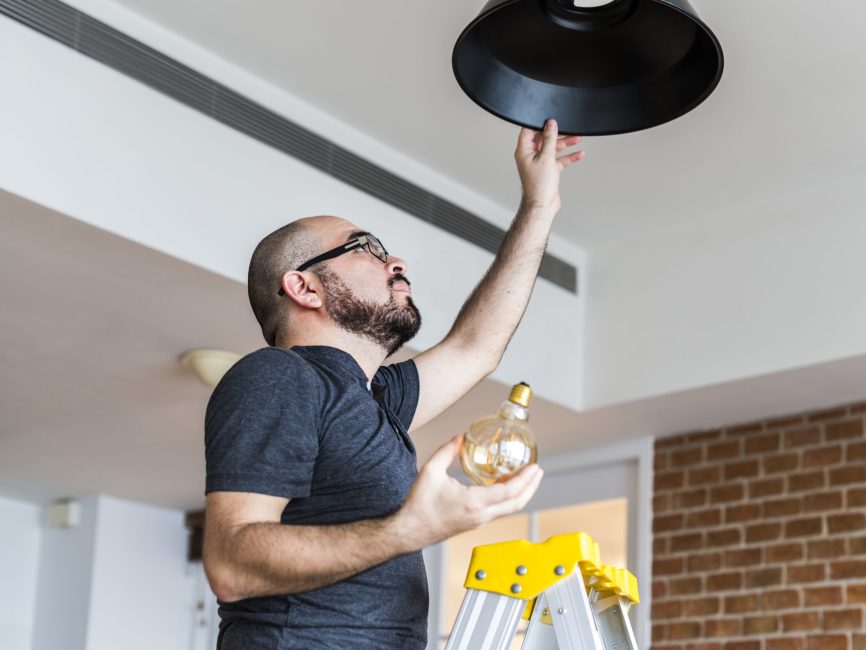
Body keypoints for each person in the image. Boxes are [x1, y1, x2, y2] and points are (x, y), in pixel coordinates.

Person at [202, 120, 585, 649]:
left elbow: (476, 346)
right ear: (303, 286)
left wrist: (539, 207)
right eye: (366, 248)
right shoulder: (279, 376)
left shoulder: (373, 399)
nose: (397, 262)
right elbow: (231, 564)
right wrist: (410, 529)